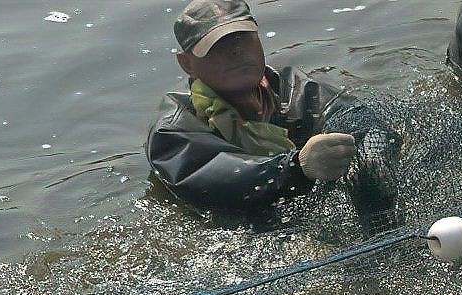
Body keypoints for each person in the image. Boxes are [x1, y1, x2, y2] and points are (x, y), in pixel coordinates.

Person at [146, 0, 362, 211]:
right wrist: (296, 166)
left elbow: (351, 114)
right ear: (187, 64)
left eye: (242, 37)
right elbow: (208, 177)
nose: (235, 50)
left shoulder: (295, 89)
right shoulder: (173, 130)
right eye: (216, 45)